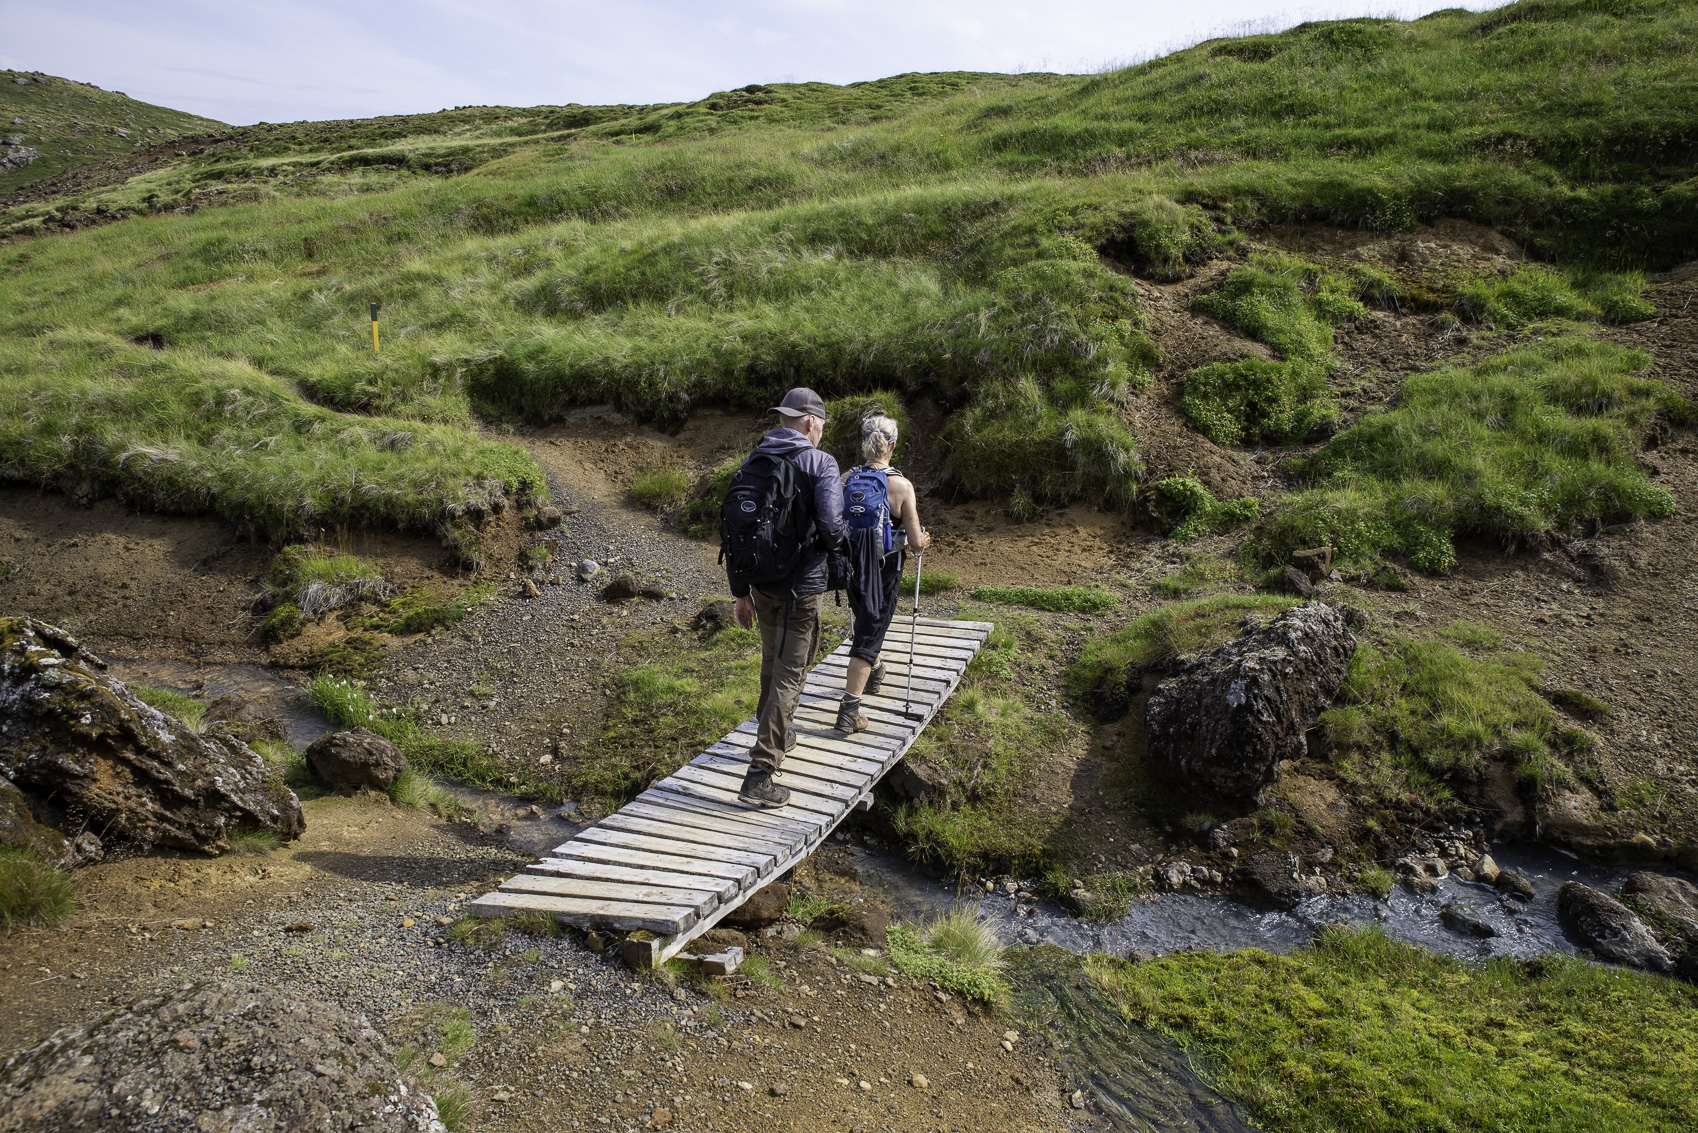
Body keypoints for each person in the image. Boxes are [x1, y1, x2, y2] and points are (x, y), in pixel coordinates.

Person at [722, 387, 845, 808]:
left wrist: (740, 594)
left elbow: (735, 530)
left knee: (771, 664)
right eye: (822, 425)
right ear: (811, 422)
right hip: (800, 588)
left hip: (759, 584)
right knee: (790, 675)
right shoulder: (819, 462)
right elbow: (830, 528)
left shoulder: (754, 460)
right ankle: (760, 773)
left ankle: (777, 731)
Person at [836, 414, 930, 734]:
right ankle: (849, 711)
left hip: (850, 566)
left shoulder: (846, 478)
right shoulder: (901, 486)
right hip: (884, 570)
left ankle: (875, 669)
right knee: (868, 634)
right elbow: (916, 543)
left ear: (864, 443)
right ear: (893, 445)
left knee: (865, 623)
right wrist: (921, 541)